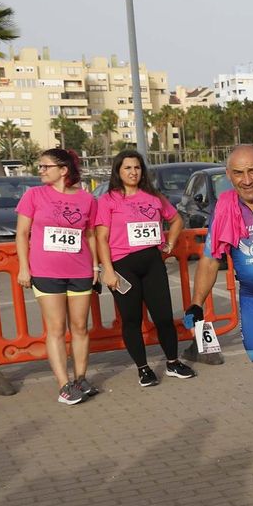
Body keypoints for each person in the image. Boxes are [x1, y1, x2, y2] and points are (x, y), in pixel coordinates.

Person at [189, 146, 253, 461]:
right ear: (228, 176)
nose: (247, 180)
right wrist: (196, 304)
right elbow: (210, 260)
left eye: (252, 171)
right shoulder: (224, 207)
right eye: (238, 173)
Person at [93, 150, 194, 387]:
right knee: (131, 319)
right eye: (127, 168)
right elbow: (101, 237)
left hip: (152, 262)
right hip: (123, 265)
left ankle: (172, 362)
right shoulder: (108, 200)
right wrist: (107, 270)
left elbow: (176, 220)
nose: (133, 172)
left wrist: (169, 244)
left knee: (164, 316)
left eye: (137, 167)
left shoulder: (153, 196)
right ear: (118, 171)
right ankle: (143, 368)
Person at [17, 148, 100, 405]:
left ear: (63, 170)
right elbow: (22, 234)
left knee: (80, 327)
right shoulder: (34, 195)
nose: (41, 170)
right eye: (40, 166)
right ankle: (64, 385)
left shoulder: (87, 199)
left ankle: (81, 379)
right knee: (56, 329)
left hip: (80, 271)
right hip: (46, 271)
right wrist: (23, 268)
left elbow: (90, 235)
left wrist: (95, 267)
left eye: (46, 166)